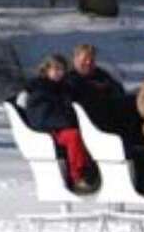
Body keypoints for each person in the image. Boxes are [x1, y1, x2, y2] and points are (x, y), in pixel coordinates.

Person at [24, 54, 98, 194]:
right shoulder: (40, 89)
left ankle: (94, 172)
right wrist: (68, 122)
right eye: (55, 69)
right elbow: (41, 117)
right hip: (50, 131)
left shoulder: (67, 88)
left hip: (67, 125)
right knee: (74, 136)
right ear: (46, 70)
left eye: (62, 69)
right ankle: (77, 177)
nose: (59, 72)